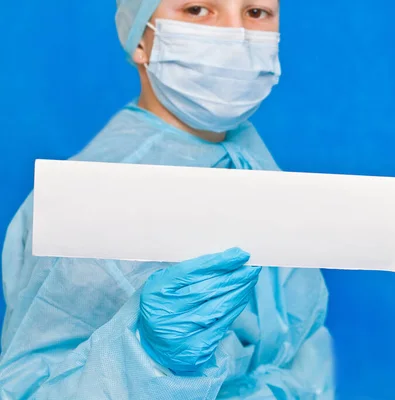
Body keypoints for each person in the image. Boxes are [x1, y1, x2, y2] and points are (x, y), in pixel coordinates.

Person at [0, 0, 334, 398]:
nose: (235, 34)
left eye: (256, 12)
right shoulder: (92, 200)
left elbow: (304, 351)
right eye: (197, 9)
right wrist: (149, 359)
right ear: (140, 39)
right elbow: (26, 389)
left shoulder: (247, 157)